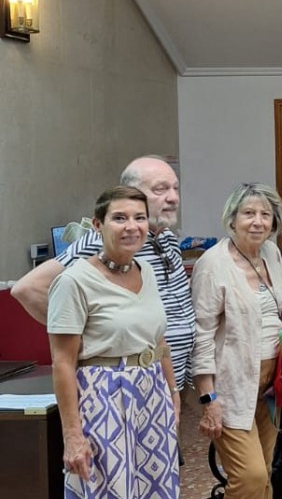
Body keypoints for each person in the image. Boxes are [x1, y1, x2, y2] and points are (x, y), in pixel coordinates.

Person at [48, 186, 182, 499]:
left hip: (147, 400)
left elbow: (160, 339)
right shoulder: (75, 280)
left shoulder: (143, 273)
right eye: (120, 217)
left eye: (140, 218)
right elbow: (63, 361)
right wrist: (73, 435)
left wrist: (171, 395)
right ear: (98, 223)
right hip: (102, 401)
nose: (132, 226)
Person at [192, 184, 282, 499]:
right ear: (231, 219)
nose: (258, 222)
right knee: (249, 477)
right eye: (248, 214)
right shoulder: (212, 265)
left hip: (272, 384)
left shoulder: (271, 255)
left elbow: (281, 315)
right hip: (231, 388)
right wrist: (207, 397)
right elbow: (202, 335)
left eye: (265, 215)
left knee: (265, 477)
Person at [14, 155, 195, 402]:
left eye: (175, 188)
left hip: (168, 376)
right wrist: (82, 332)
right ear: (132, 194)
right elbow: (29, 288)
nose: (173, 198)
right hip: (124, 381)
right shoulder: (102, 240)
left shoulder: (167, 238)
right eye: (160, 190)